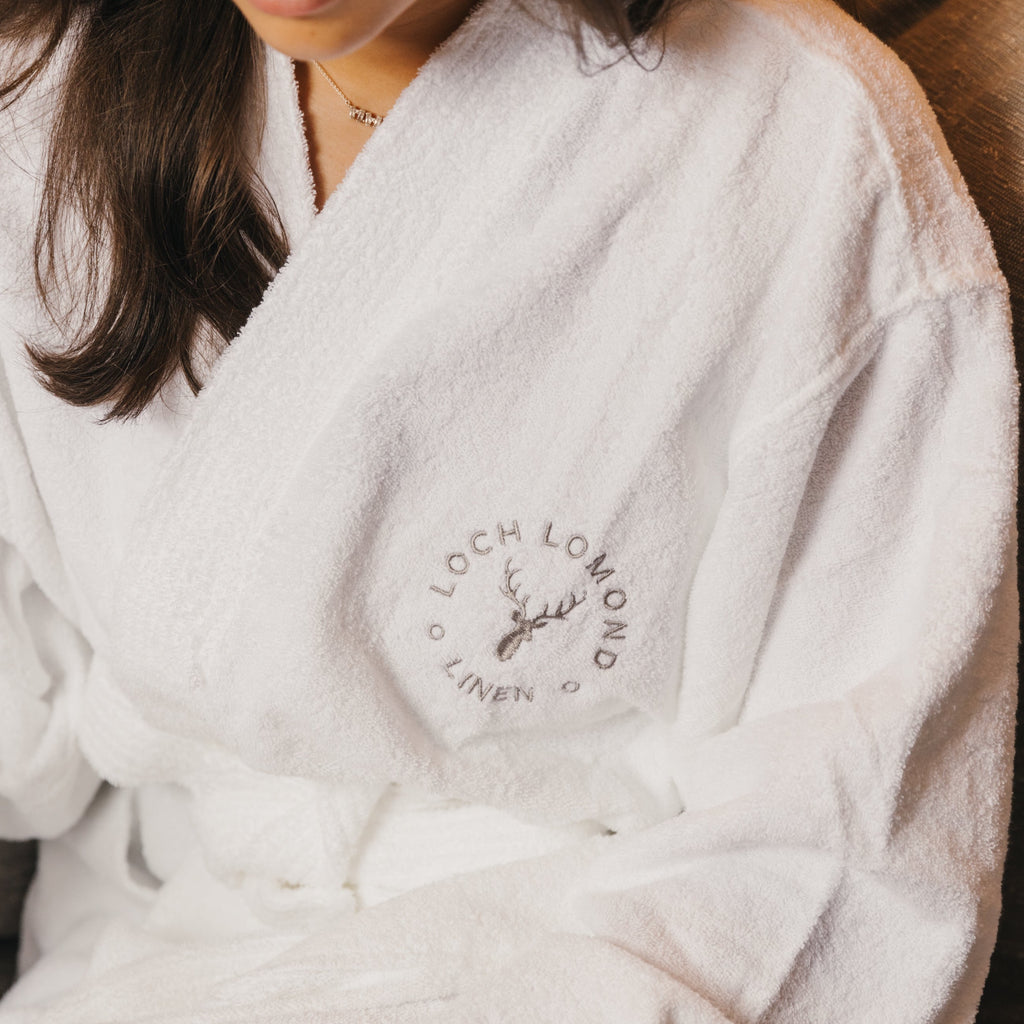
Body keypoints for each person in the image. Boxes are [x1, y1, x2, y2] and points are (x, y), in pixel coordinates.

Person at [0, 0, 1017, 1020]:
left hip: (589, 968)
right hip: (146, 961)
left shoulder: (802, 149)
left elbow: (838, 859)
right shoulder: (43, 94)